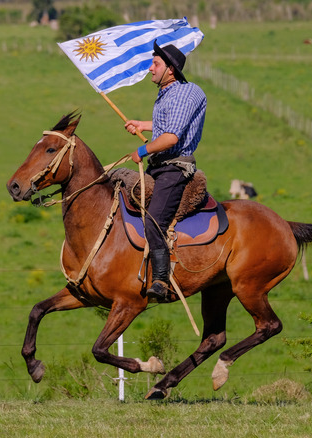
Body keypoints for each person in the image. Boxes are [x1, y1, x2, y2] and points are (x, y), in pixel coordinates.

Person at [124, 40, 207, 302]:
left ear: (170, 69)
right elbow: (165, 126)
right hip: (159, 166)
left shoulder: (184, 92)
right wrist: (143, 124)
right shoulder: (168, 92)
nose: (150, 68)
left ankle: (160, 279)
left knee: (154, 220)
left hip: (174, 168)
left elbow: (171, 137)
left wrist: (142, 150)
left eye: (155, 63)